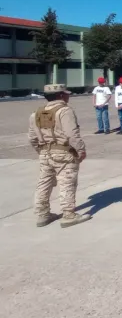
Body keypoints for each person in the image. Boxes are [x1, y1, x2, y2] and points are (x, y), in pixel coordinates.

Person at [28, 84, 90, 228]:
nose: (68, 96)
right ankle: (69, 215)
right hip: (64, 153)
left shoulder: (36, 113)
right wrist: (81, 150)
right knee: (67, 183)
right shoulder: (64, 111)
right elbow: (72, 135)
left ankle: (43, 214)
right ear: (61, 95)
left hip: (45, 153)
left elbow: (32, 137)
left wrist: (41, 150)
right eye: (66, 94)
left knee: (44, 183)